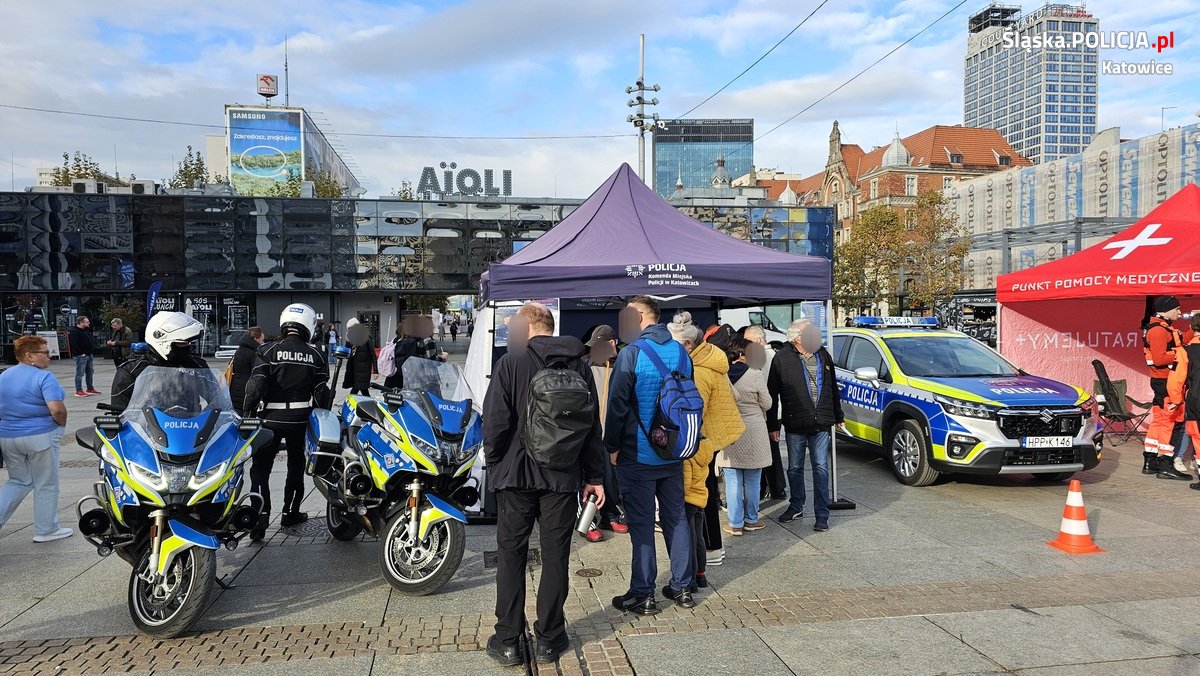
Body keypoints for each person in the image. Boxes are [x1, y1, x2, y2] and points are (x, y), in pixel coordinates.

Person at [482, 302, 605, 666]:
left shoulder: (510, 363)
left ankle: (507, 638)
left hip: (516, 476)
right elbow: (591, 429)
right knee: (555, 557)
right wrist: (594, 477)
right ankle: (550, 638)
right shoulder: (580, 365)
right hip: (562, 476)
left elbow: (495, 423)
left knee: (511, 555)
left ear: (529, 325)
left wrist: (495, 465)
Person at [607, 296, 696, 614]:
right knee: (676, 518)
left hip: (638, 453)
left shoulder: (630, 354)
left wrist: (611, 447)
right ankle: (683, 587)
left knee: (642, 524)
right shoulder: (681, 353)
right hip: (674, 451)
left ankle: (643, 593)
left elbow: (616, 407)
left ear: (641, 317)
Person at [668, 312, 743, 590]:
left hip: (695, 446)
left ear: (687, 345)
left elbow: (689, 415)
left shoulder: (696, 371)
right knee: (698, 508)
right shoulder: (711, 361)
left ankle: (689, 578)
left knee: (689, 513)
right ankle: (699, 573)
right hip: (707, 442)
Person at [244, 304, 331, 540]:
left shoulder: (268, 350)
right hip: (300, 420)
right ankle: (290, 512)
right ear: (309, 326)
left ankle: (260, 517)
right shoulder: (317, 355)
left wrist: (247, 414)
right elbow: (322, 394)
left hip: (270, 419)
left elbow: (255, 386)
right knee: (295, 467)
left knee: (261, 469)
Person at [768, 319, 844, 532]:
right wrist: (773, 425)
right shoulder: (781, 358)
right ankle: (796, 505)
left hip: (822, 422)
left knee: (821, 468)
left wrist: (838, 416)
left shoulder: (823, 355)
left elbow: (832, 389)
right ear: (797, 338)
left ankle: (822, 514)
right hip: (795, 423)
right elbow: (772, 394)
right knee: (794, 468)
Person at [0, 336, 72, 543]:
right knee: (46, 483)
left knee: (18, 480)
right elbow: (56, 408)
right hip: (40, 435)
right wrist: (61, 424)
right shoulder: (44, 377)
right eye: (45, 352)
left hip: (8, 435)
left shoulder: (4, 376)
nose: (49, 356)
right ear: (29, 356)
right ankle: (46, 529)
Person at [718, 337, 773, 543]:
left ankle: (734, 523)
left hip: (730, 430)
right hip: (754, 430)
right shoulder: (755, 374)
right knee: (752, 478)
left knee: (732, 479)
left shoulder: (722, 375)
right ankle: (751, 519)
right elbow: (767, 404)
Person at [110, 312, 210, 412]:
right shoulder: (131, 371)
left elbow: (219, 400)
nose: (189, 347)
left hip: (195, 426)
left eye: (190, 343)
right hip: (147, 426)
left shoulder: (196, 366)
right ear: (163, 341)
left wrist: (208, 419)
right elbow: (120, 414)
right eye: (182, 343)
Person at [583, 325, 627, 537]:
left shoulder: (623, 366)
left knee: (611, 479)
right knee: (589, 479)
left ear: (611, 344)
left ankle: (611, 516)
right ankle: (588, 521)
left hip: (612, 433)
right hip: (589, 433)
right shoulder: (585, 365)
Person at [1143, 296, 1192, 479]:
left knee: (1160, 421)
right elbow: (1159, 358)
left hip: (1163, 381)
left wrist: (1193, 329)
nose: (1180, 312)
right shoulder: (1158, 331)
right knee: (1172, 422)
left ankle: (1150, 460)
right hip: (1166, 382)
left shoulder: (1164, 328)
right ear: (1166, 309)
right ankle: (1166, 463)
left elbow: (1180, 341)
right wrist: (1182, 354)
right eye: (1177, 309)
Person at [744, 325, 786, 501]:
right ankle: (773, 488)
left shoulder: (764, 358)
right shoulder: (774, 356)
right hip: (772, 410)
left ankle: (775, 488)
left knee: (769, 451)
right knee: (769, 450)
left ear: (759, 340)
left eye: (749, 341)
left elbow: (766, 390)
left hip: (768, 411)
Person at [1166, 313, 1200, 486]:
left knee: (1197, 436)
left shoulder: (1185, 352)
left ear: (1192, 329)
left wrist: (1175, 400)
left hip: (1196, 399)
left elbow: (1176, 380)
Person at [229, 326, 265, 416]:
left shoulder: (239, 350)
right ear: (256, 339)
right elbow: (258, 374)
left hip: (235, 389)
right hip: (247, 392)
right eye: (262, 340)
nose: (263, 343)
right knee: (247, 421)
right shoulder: (254, 353)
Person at [342, 318, 377, 396]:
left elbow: (373, 354)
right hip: (354, 369)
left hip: (364, 369)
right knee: (361, 390)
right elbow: (347, 352)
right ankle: (368, 404)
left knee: (359, 389)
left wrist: (375, 371)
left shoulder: (366, 338)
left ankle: (349, 404)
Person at [68, 315, 99, 397]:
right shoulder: (75, 331)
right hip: (81, 355)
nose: (89, 323)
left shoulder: (85, 330)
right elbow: (74, 344)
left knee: (90, 372)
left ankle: (90, 388)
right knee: (80, 373)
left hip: (89, 354)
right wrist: (81, 353)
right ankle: (79, 390)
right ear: (81, 323)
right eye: (86, 322)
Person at [383, 325, 420, 390]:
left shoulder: (395, 340)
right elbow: (412, 357)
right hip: (405, 371)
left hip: (393, 369)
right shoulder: (411, 341)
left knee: (391, 391)